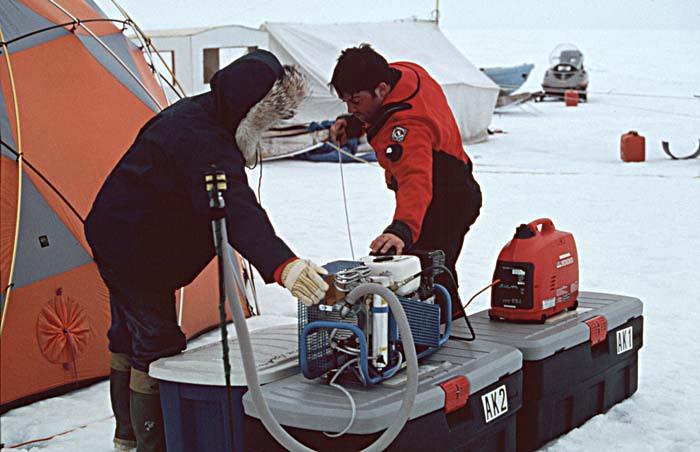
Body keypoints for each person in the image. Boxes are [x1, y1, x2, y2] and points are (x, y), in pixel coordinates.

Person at [85, 50, 329, 452]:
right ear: (249, 110)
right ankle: (154, 444)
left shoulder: (205, 114)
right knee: (157, 344)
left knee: (128, 337)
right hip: (131, 247)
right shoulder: (202, 139)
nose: (267, 130)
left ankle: (126, 437)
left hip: (122, 234)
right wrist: (283, 265)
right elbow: (236, 208)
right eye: (266, 119)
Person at [329, 44, 482, 318]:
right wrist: (355, 123)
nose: (351, 108)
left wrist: (401, 229)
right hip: (453, 187)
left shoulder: (408, 128)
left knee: (428, 270)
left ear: (381, 89)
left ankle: (447, 337)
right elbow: (384, 112)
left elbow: (415, 180)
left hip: (446, 199)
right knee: (433, 267)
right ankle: (441, 327)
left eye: (355, 101)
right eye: (346, 102)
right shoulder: (406, 71)